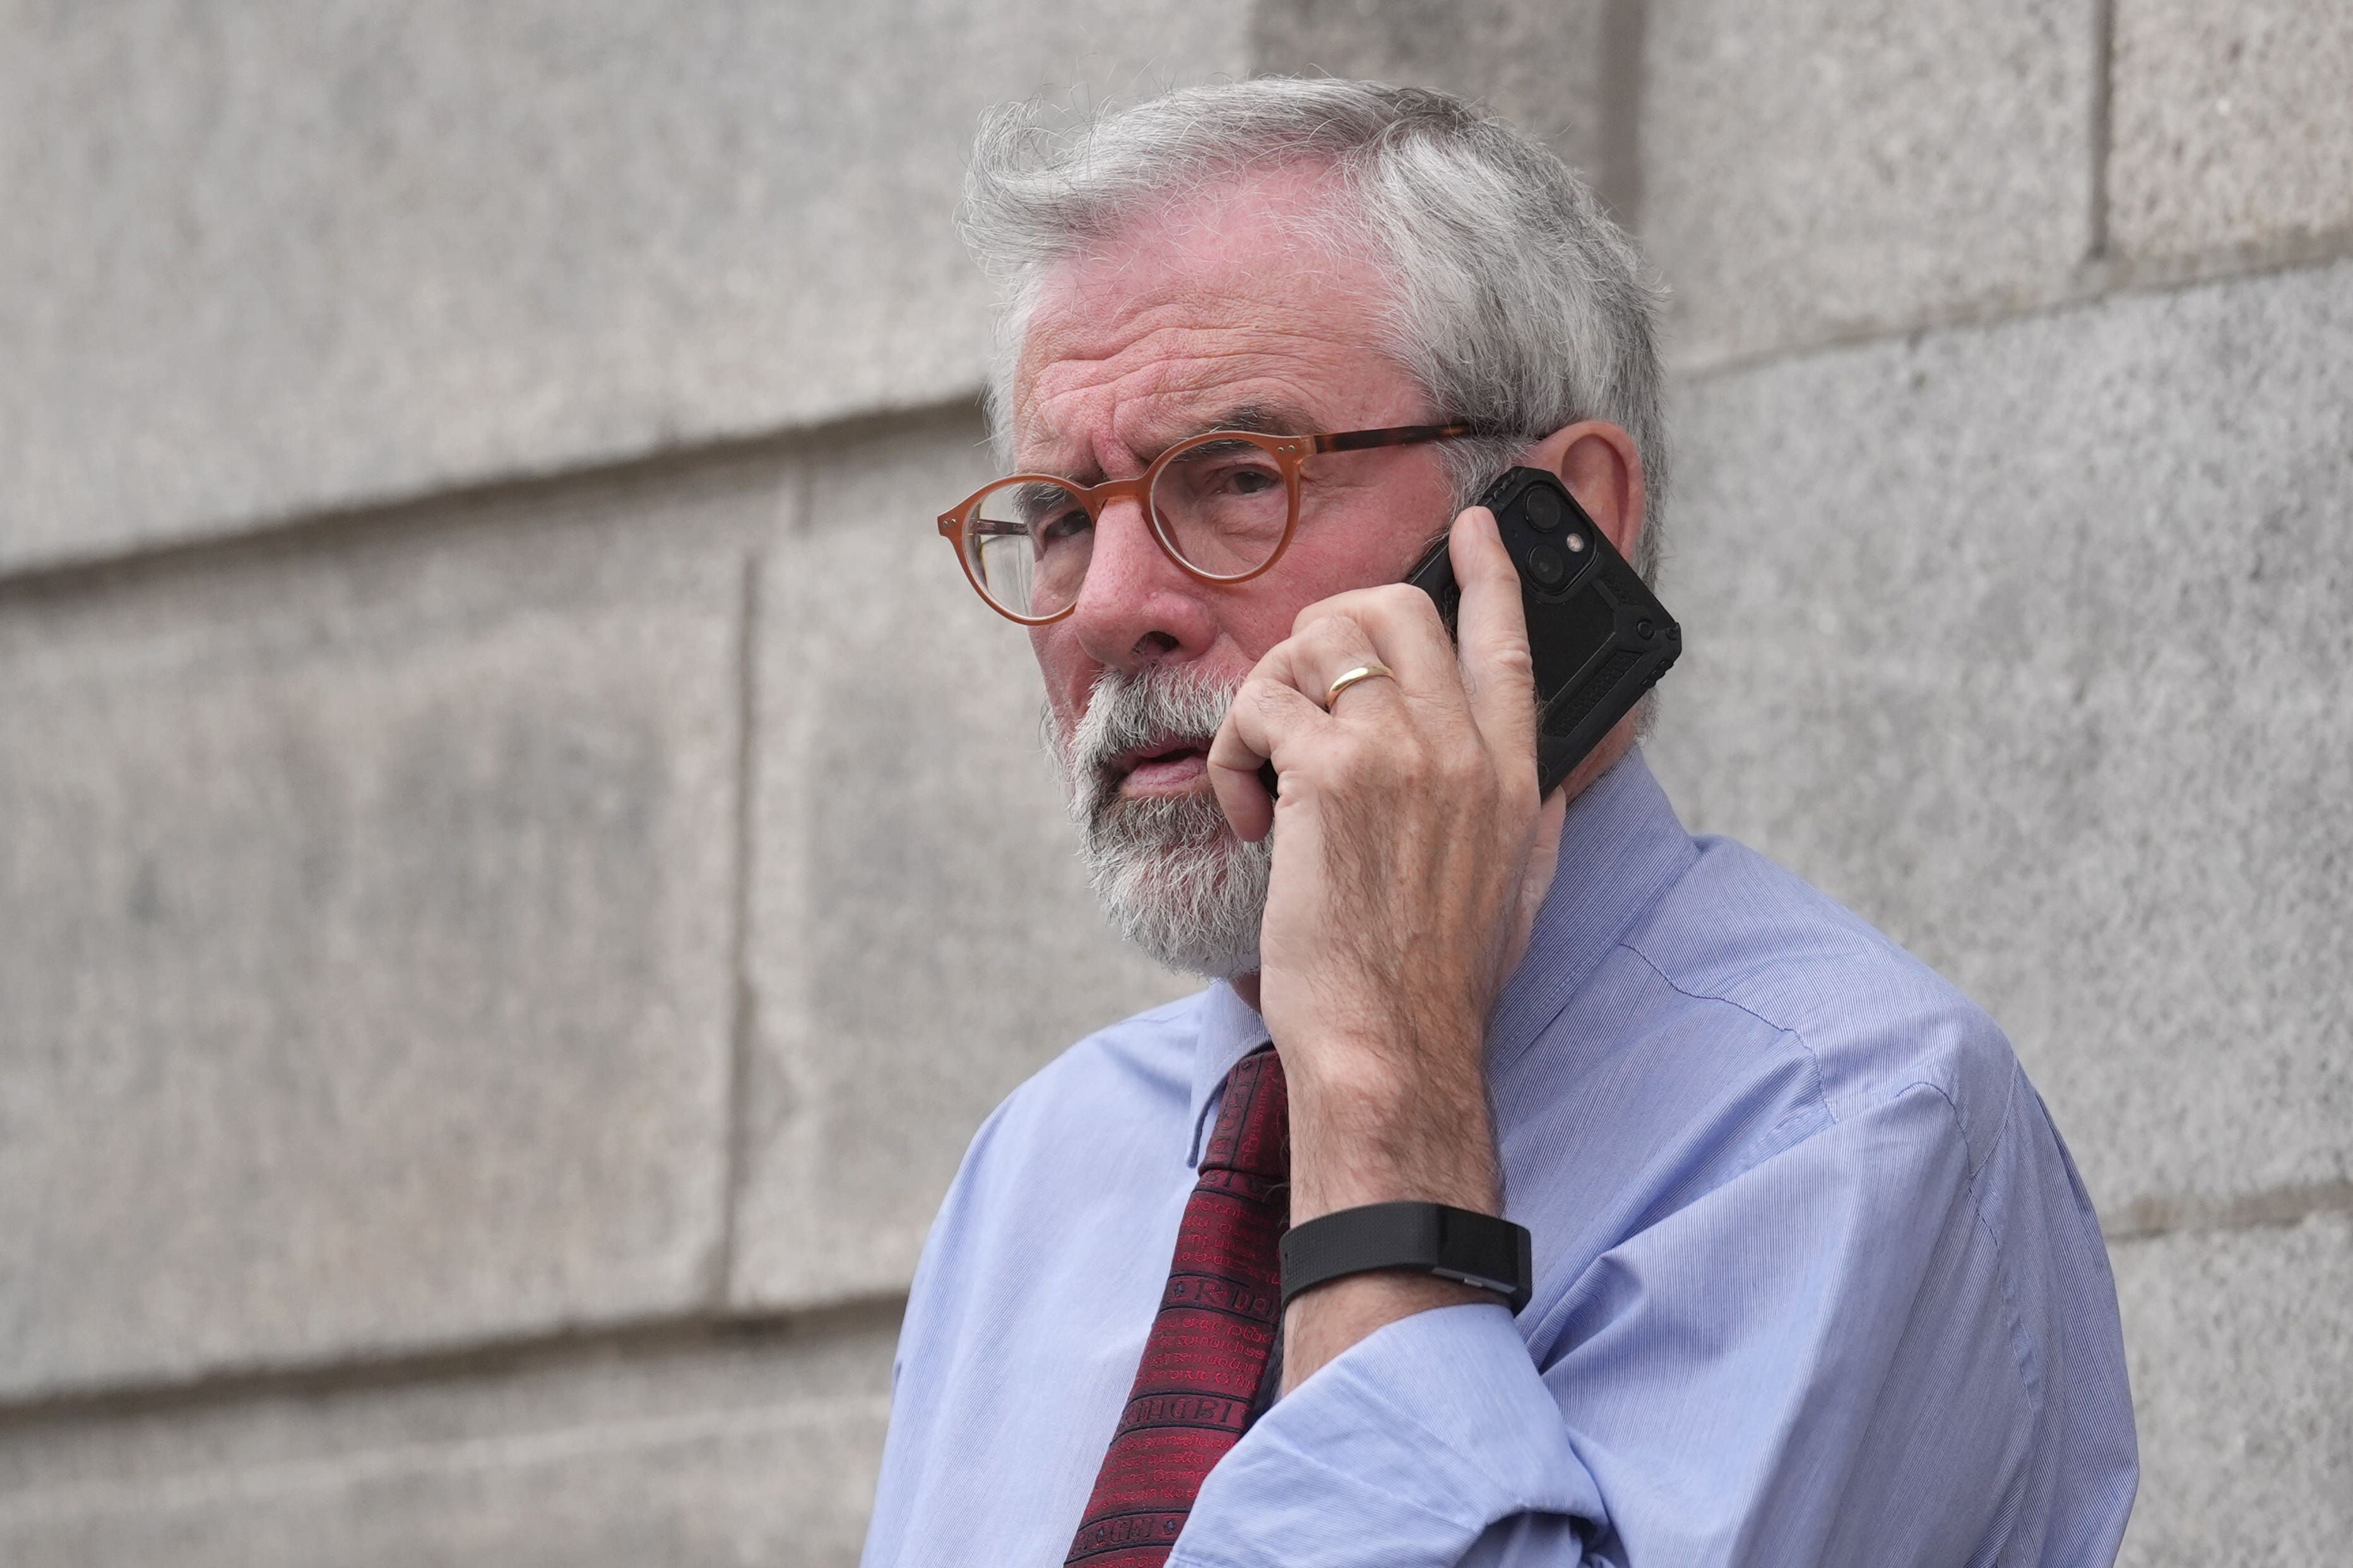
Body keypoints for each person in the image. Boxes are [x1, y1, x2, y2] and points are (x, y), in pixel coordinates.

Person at [860, 79, 2137, 1567]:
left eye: (1231, 480)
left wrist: (1385, 1113)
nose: (1112, 609)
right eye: (1065, 517)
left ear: (1554, 523)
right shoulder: (1045, 1166)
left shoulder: (1848, 1131)